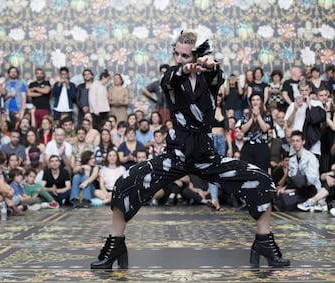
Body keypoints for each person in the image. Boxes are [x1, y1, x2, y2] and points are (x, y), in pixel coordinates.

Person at [90, 30, 289, 269]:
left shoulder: (210, 79)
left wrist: (209, 65)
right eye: (176, 54)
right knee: (124, 183)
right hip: (177, 155)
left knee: (262, 180)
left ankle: (264, 242)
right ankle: (115, 245)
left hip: (206, 155)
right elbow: (170, 78)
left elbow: (217, 75)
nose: (178, 59)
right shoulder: (172, 78)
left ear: (197, 55)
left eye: (185, 55)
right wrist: (186, 68)